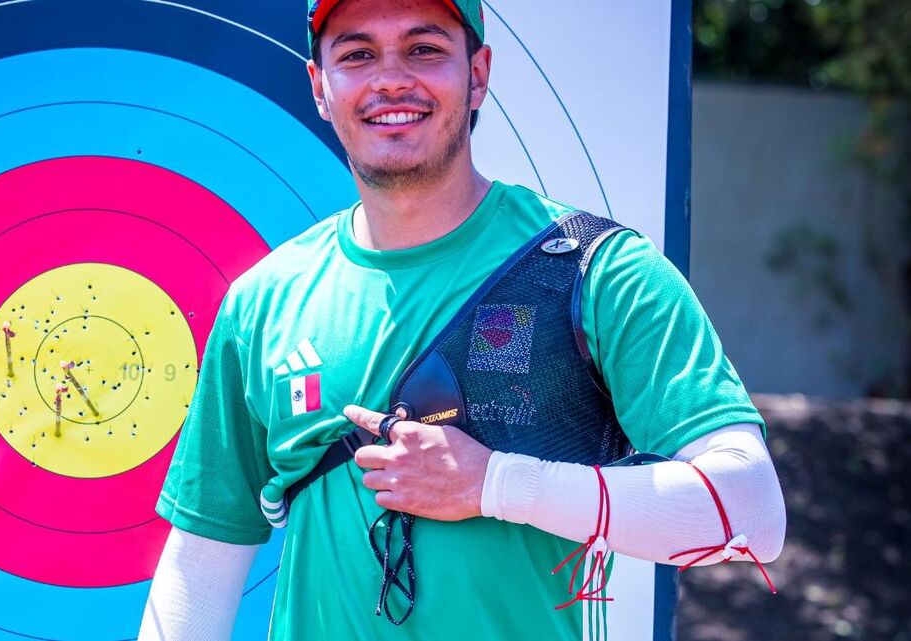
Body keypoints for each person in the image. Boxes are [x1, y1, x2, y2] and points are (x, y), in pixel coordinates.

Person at [139, 0, 786, 639]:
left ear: (478, 74)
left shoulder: (598, 271)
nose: (391, 79)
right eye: (358, 54)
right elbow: (202, 560)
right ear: (319, 87)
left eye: (423, 49)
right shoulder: (262, 302)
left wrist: (497, 484)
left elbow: (750, 510)